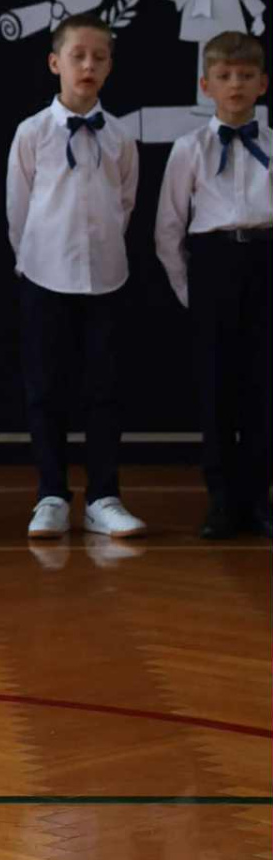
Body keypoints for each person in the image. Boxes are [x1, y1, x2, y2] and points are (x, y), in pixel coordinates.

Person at [6, 13, 145, 540]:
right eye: (77, 56)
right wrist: (35, 261)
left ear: (109, 67)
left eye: (99, 57)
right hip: (44, 277)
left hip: (107, 279)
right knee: (45, 390)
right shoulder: (32, 133)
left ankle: (104, 496)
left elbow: (125, 203)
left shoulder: (121, 136)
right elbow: (18, 209)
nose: (88, 65)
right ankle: (51, 495)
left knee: (105, 390)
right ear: (54, 63)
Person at [154, 30, 271, 538]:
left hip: (265, 261)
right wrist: (191, 292)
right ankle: (222, 501)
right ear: (206, 85)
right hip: (213, 267)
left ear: (263, 83)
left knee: (264, 387)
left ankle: (259, 498)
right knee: (216, 388)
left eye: (246, 75)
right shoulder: (189, 149)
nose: (236, 85)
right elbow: (168, 229)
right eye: (224, 76)